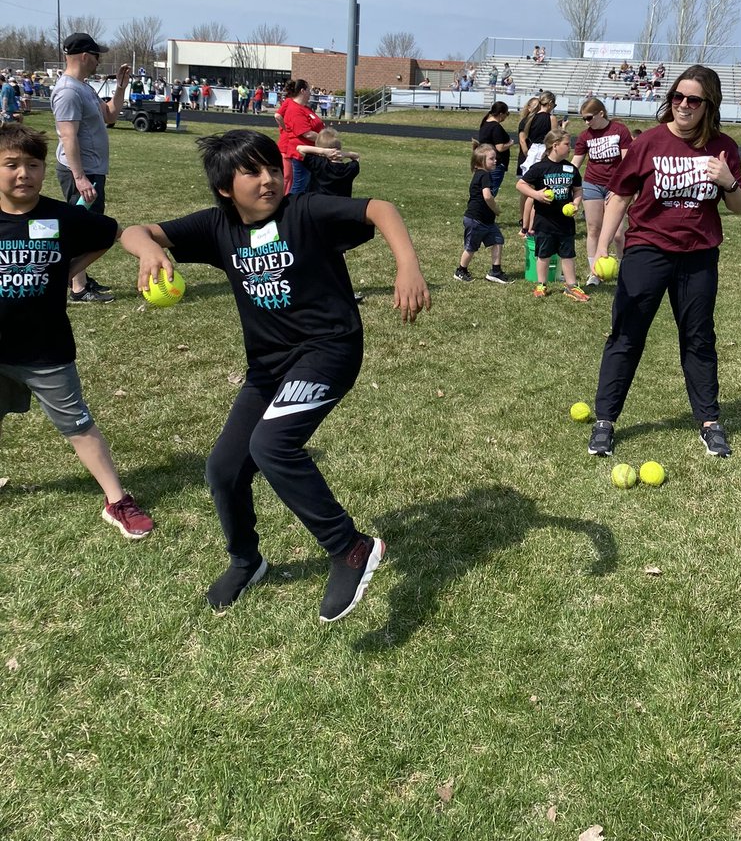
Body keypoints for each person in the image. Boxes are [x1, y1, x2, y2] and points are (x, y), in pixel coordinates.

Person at [120, 128, 429, 618]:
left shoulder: (303, 211)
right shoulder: (218, 227)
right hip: (267, 368)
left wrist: (407, 264)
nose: (268, 180)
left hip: (328, 350)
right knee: (223, 469)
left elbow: (380, 208)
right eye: (252, 172)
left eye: (271, 168)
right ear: (226, 188)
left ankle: (350, 547)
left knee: (272, 444)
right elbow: (134, 231)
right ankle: (246, 560)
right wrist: (148, 251)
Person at [586, 65, 741, 462]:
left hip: (698, 256)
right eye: (677, 97)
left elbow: (740, 206)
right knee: (626, 334)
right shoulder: (651, 142)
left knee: (698, 338)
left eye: (693, 100)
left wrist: (727, 180)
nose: (683, 105)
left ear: (709, 104)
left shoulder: (723, 146)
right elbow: (620, 196)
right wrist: (602, 248)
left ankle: (709, 422)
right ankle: (605, 421)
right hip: (647, 251)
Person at [0, 124, 154, 538]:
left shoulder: (61, 215)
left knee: (79, 425)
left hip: (46, 350)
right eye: (11, 165)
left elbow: (108, 232)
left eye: (33, 165)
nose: (23, 174)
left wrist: (74, 269)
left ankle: (117, 500)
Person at [50, 33, 130, 303]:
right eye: (97, 56)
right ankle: (77, 287)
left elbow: (110, 115)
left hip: (92, 170)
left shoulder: (83, 87)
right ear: (85, 56)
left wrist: (120, 87)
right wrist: (80, 176)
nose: (98, 62)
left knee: (86, 226)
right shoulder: (68, 91)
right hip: (81, 172)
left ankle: (78, 280)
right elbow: (67, 136)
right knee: (86, 229)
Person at [516, 130, 588, 301]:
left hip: (565, 222)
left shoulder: (570, 169)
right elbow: (521, 184)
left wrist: (576, 203)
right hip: (544, 221)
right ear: (555, 146)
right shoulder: (540, 168)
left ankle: (571, 286)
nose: (570, 148)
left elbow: (578, 189)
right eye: (566, 144)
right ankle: (541, 284)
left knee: (568, 254)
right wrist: (537, 195)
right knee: (544, 254)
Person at [572, 98, 632, 287]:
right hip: (592, 183)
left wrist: (621, 186)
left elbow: (627, 161)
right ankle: (594, 272)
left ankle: (624, 269)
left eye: (589, 118)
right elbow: (576, 163)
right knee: (593, 228)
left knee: (617, 234)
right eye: (583, 119)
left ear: (601, 114)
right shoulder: (585, 136)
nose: (587, 122)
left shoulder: (619, 130)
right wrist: (565, 180)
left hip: (616, 185)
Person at [454, 144, 509, 285]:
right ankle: (461, 270)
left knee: (498, 240)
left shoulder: (482, 174)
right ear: (480, 161)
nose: (495, 161)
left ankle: (495, 272)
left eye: (495, 158)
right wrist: (495, 209)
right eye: (491, 159)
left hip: (486, 221)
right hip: (476, 220)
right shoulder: (484, 175)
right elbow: (487, 196)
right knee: (471, 247)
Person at [517, 92, 559, 236]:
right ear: (550, 103)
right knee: (537, 193)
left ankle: (524, 225)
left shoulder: (531, 118)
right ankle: (532, 226)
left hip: (532, 150)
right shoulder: (551, 118)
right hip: (543, 151)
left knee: (529, 191)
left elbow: (525, 137)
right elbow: (555, 137)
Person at [276, 79, 324, 196]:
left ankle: (302, 210)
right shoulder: (294, 108)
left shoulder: (305, 108)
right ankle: (291, 210)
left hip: (310, 154)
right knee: (298, 187)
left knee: (307, 187)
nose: (310, 93)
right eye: (308, 90)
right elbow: (306, 133)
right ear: (302, 91)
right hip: (301, 155)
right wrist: (326, 140)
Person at [476, 102, 512, 196]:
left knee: (483, 190)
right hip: (496, 163)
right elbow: (500, 148)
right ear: (501, 114)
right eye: (506, 114)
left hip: (484, 161)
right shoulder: (496, 127)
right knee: (491, 192)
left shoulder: (485, 124)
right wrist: (510, 143)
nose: (506, 117)